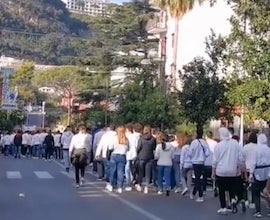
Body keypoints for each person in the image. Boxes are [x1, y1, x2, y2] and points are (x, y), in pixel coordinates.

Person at [212, 127, 244, 215]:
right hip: (233, 171)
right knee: (231, 188)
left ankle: (223, 207)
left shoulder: (218, 146)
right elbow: (240, 158)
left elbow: (215, 161)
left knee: (222, 190)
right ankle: (232, 201)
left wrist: (213, 172)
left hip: (221, 171)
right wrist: (239, 168)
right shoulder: (235, 143)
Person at [249, 134, 270, 218]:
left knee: (256, 192)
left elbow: (253, 162)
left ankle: (258, 211)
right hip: (267, 171)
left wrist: (251, 173)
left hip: (257, 172)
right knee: (267, 192)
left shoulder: (256, 150)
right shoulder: (269, 149)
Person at [189, 129, 210, 202]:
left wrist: (194, 156)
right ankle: (194, 193)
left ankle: (200, 195)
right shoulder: (204, 142)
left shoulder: (193, 142)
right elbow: (208, 153)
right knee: (199, 178)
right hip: (202, 162)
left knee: (197, 179)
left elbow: (190, 153)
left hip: (195, 162)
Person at [107, 126, 129, 193]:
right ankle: (120, 187)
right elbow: (128, 149)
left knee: (112, 171)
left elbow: (110, 147)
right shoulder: (126, 139)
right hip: (122, 156)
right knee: (120, 172)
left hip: (114, 155)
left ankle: (111, 185)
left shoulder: (114, 138)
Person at [135, 125, 156, 194]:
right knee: (148, 173)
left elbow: (138, 148)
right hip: (150, 157)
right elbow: (154, 148)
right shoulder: (153, 139)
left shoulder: (141, 138)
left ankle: (139, 184)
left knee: (140, 172)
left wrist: (137, 154)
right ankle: (146, 187)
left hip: (141, 157)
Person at [155, 132, 174, 196]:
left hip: (160, 163)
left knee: (160, 177)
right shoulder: (172, 146)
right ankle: (168, 188)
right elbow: (172, 156)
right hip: (169, 163)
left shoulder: (159, 146)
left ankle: (160, 189)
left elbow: (156, 156)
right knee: (167, 177)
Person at [124, 123, 138, 191]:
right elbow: (136, 146)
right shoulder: (134, 136)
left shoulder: (125, 136)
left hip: (127, 154)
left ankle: (128, 182)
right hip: (134, 154)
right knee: (132, 168)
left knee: (127, 168)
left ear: (126, 129)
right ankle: (132, 179)